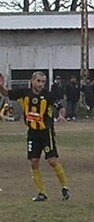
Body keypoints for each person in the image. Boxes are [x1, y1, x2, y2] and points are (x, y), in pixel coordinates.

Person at [0, 71, 70, 202]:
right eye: (38, 81)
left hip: (46, 132)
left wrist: (61, 115)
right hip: (32, 133)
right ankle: (42, 193)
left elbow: (60, 107)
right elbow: (6, 93)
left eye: (43, 82)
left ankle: (65, 187)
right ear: (32, 81)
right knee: (34, 162)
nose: (40, 84)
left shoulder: (48, 96)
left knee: (52, 161)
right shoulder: (23, 93)